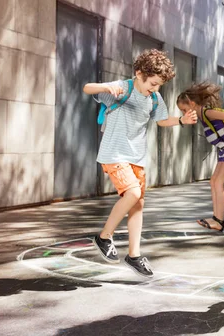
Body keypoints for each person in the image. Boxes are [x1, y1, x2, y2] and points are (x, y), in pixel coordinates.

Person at [83, 49, 198, 277]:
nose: (155, 89)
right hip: (114, 153)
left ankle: (134, 255)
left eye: (159, 85)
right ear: (139, 73)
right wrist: (106, 87)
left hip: (137, 156)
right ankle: (104, 236)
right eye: (153, 83)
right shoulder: (122, 89)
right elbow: (88, 88)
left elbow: (162, 120)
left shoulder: (154, 98)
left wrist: (181, 120)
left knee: (137, 204)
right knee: (133, 193)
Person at [176, 82, 224, 232]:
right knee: (214, 181)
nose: (184, 113)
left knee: (218, 182)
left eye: (184, 109)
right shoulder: (202, 116)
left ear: (193, 104)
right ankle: (216, 218)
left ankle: (219, 221)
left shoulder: (207, 113)